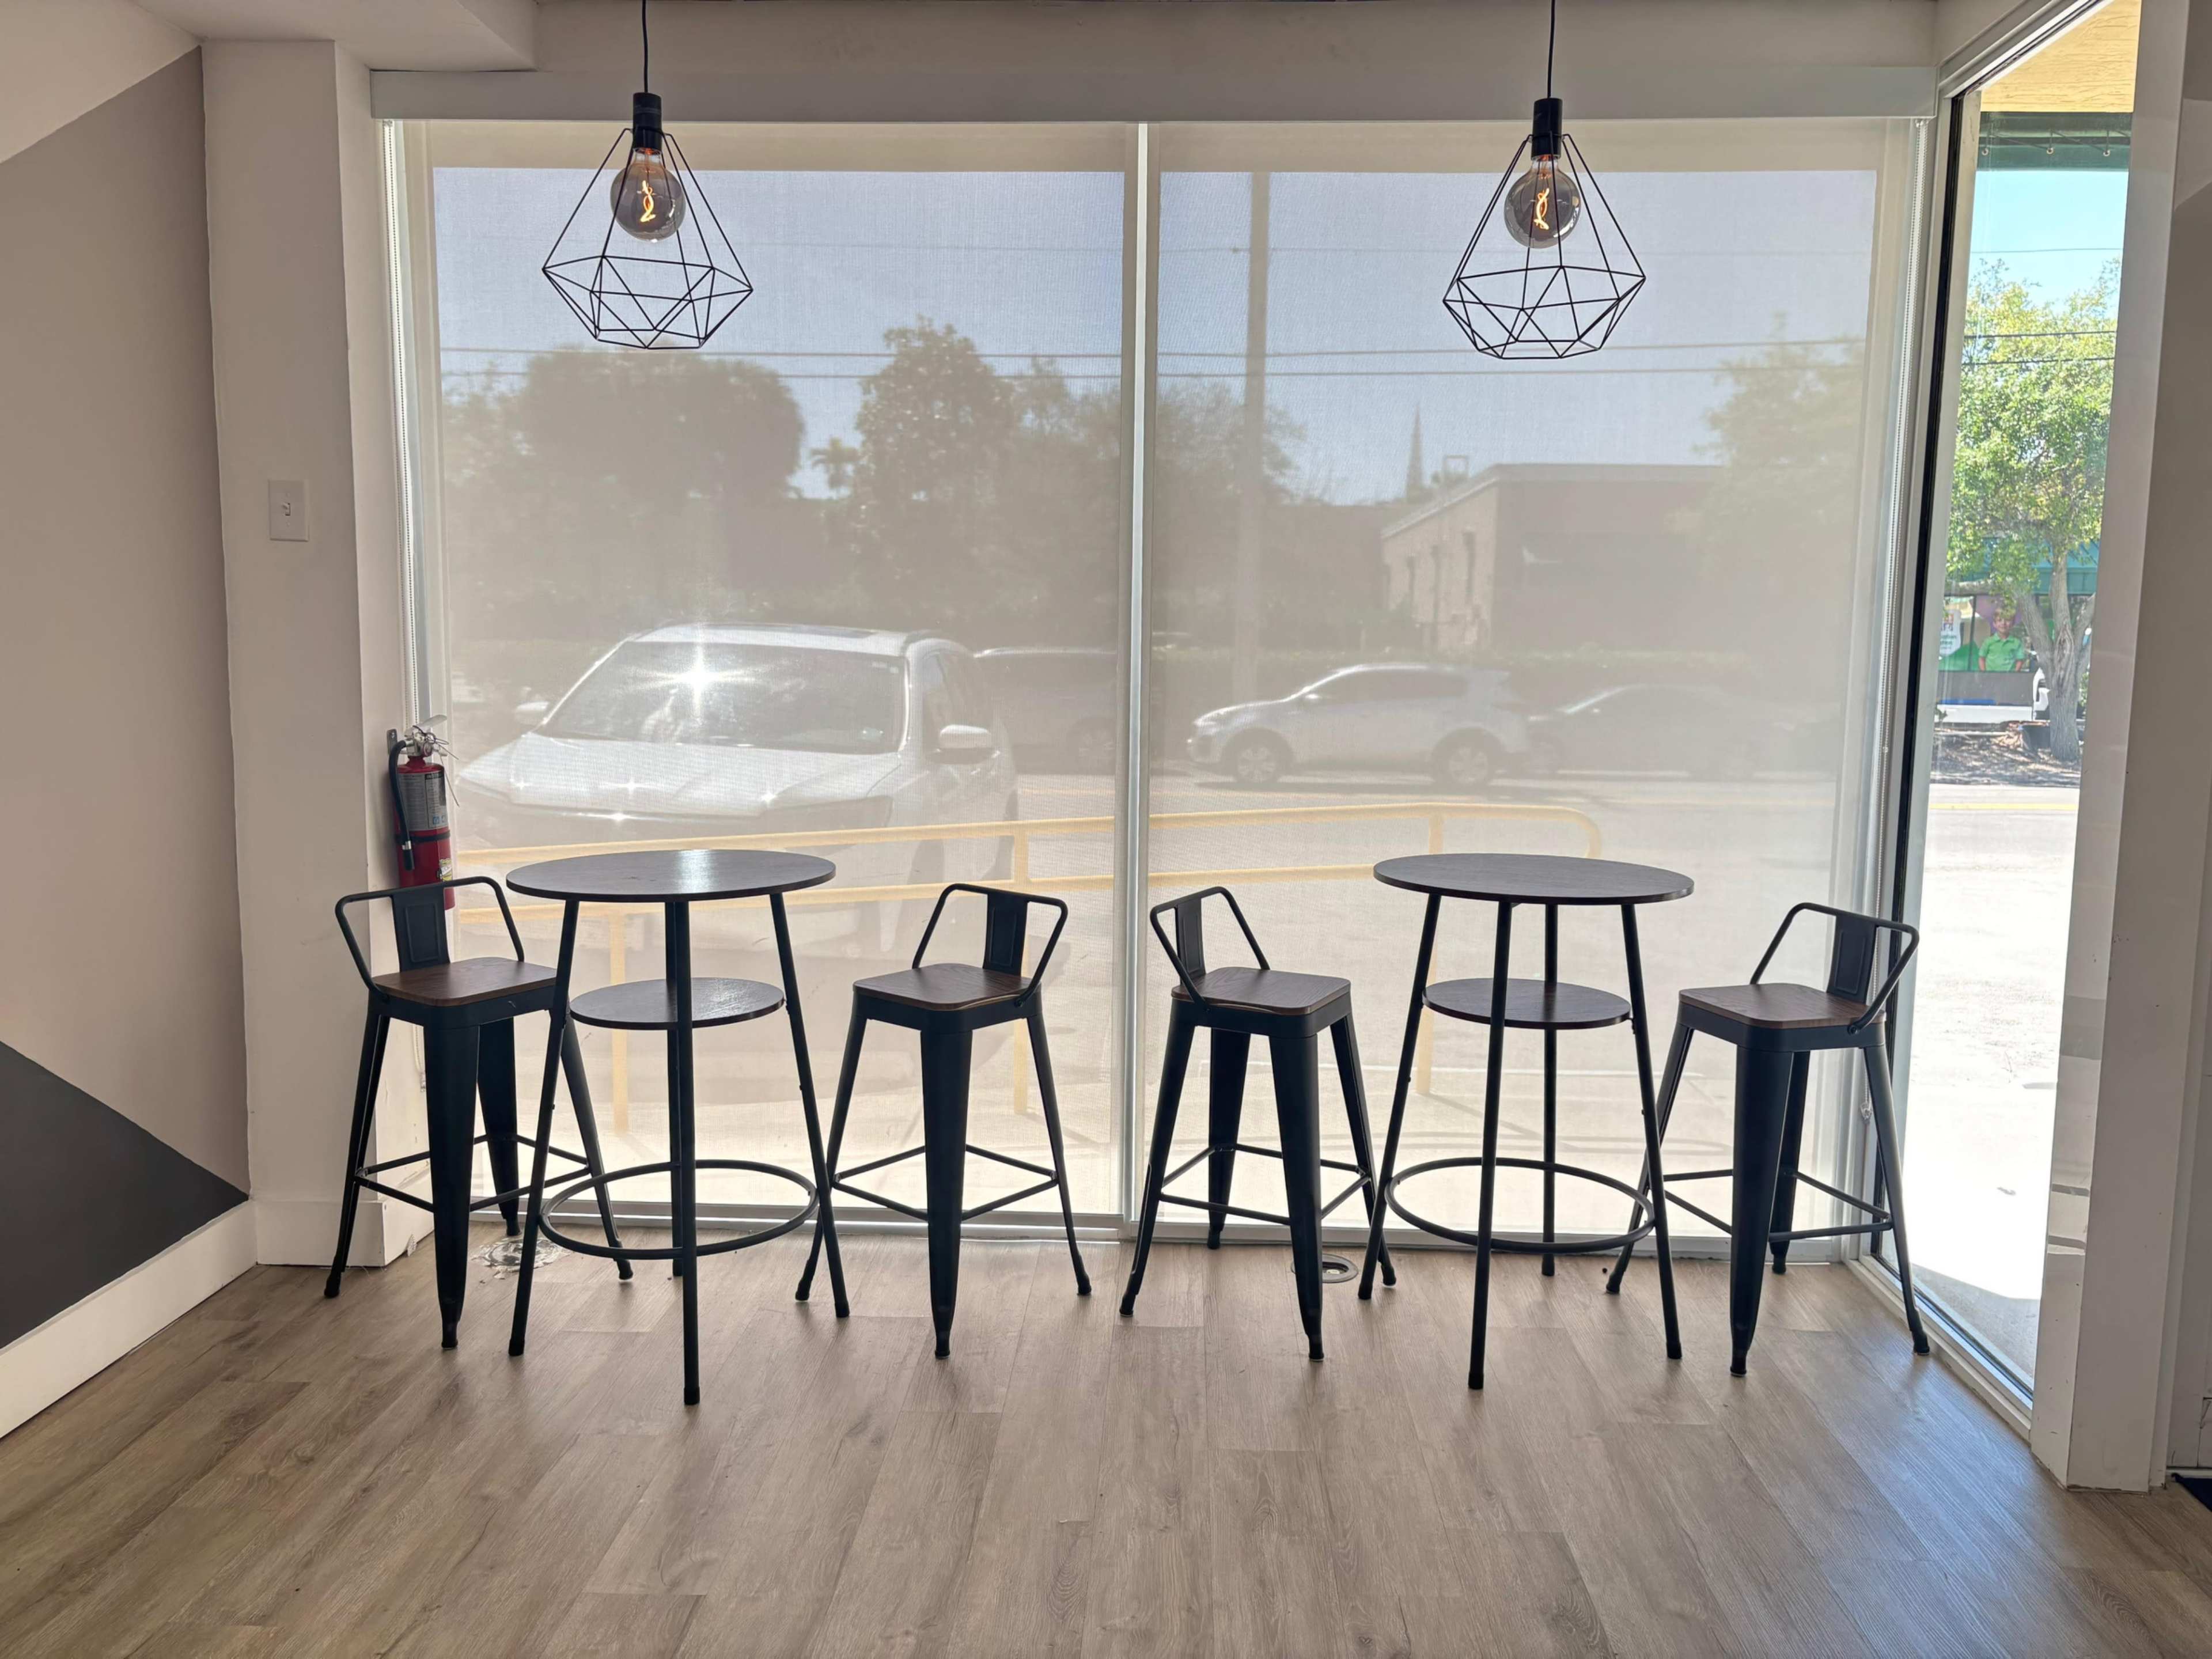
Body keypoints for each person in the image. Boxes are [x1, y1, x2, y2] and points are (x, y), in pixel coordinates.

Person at [1979, 609, 2029, 673]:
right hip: (1991, 677)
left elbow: (2020, 660)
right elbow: (1982, 658)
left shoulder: (2016, 642)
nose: (2003, 623)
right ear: (1994, 624)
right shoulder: (1988, 641)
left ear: (2013, 624)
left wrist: (2015, 673)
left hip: (2009, 677)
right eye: (2000, 620)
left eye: (2007, 620)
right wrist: (1984, 674)